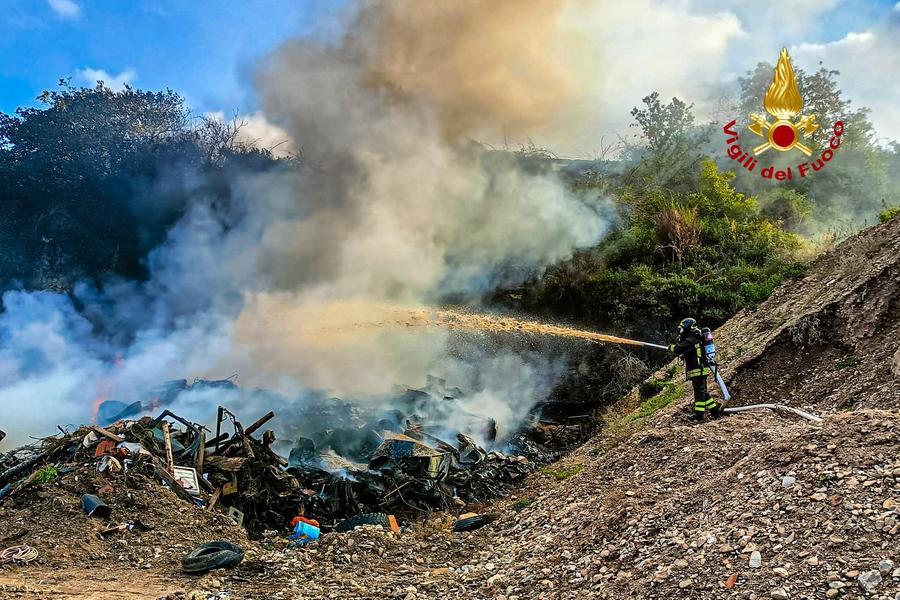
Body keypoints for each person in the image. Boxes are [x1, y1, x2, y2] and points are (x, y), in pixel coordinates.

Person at [669, 318, 720, 421]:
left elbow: (678, 349)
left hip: (697, 370)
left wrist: (670, 347)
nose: (681, 331)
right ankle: (715, 412)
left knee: (699, 392)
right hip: (701, 369)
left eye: (682, 329)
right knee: (703, 392)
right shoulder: (695, 338)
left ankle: (699, 415)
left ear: (687, 328)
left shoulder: (691, 340)